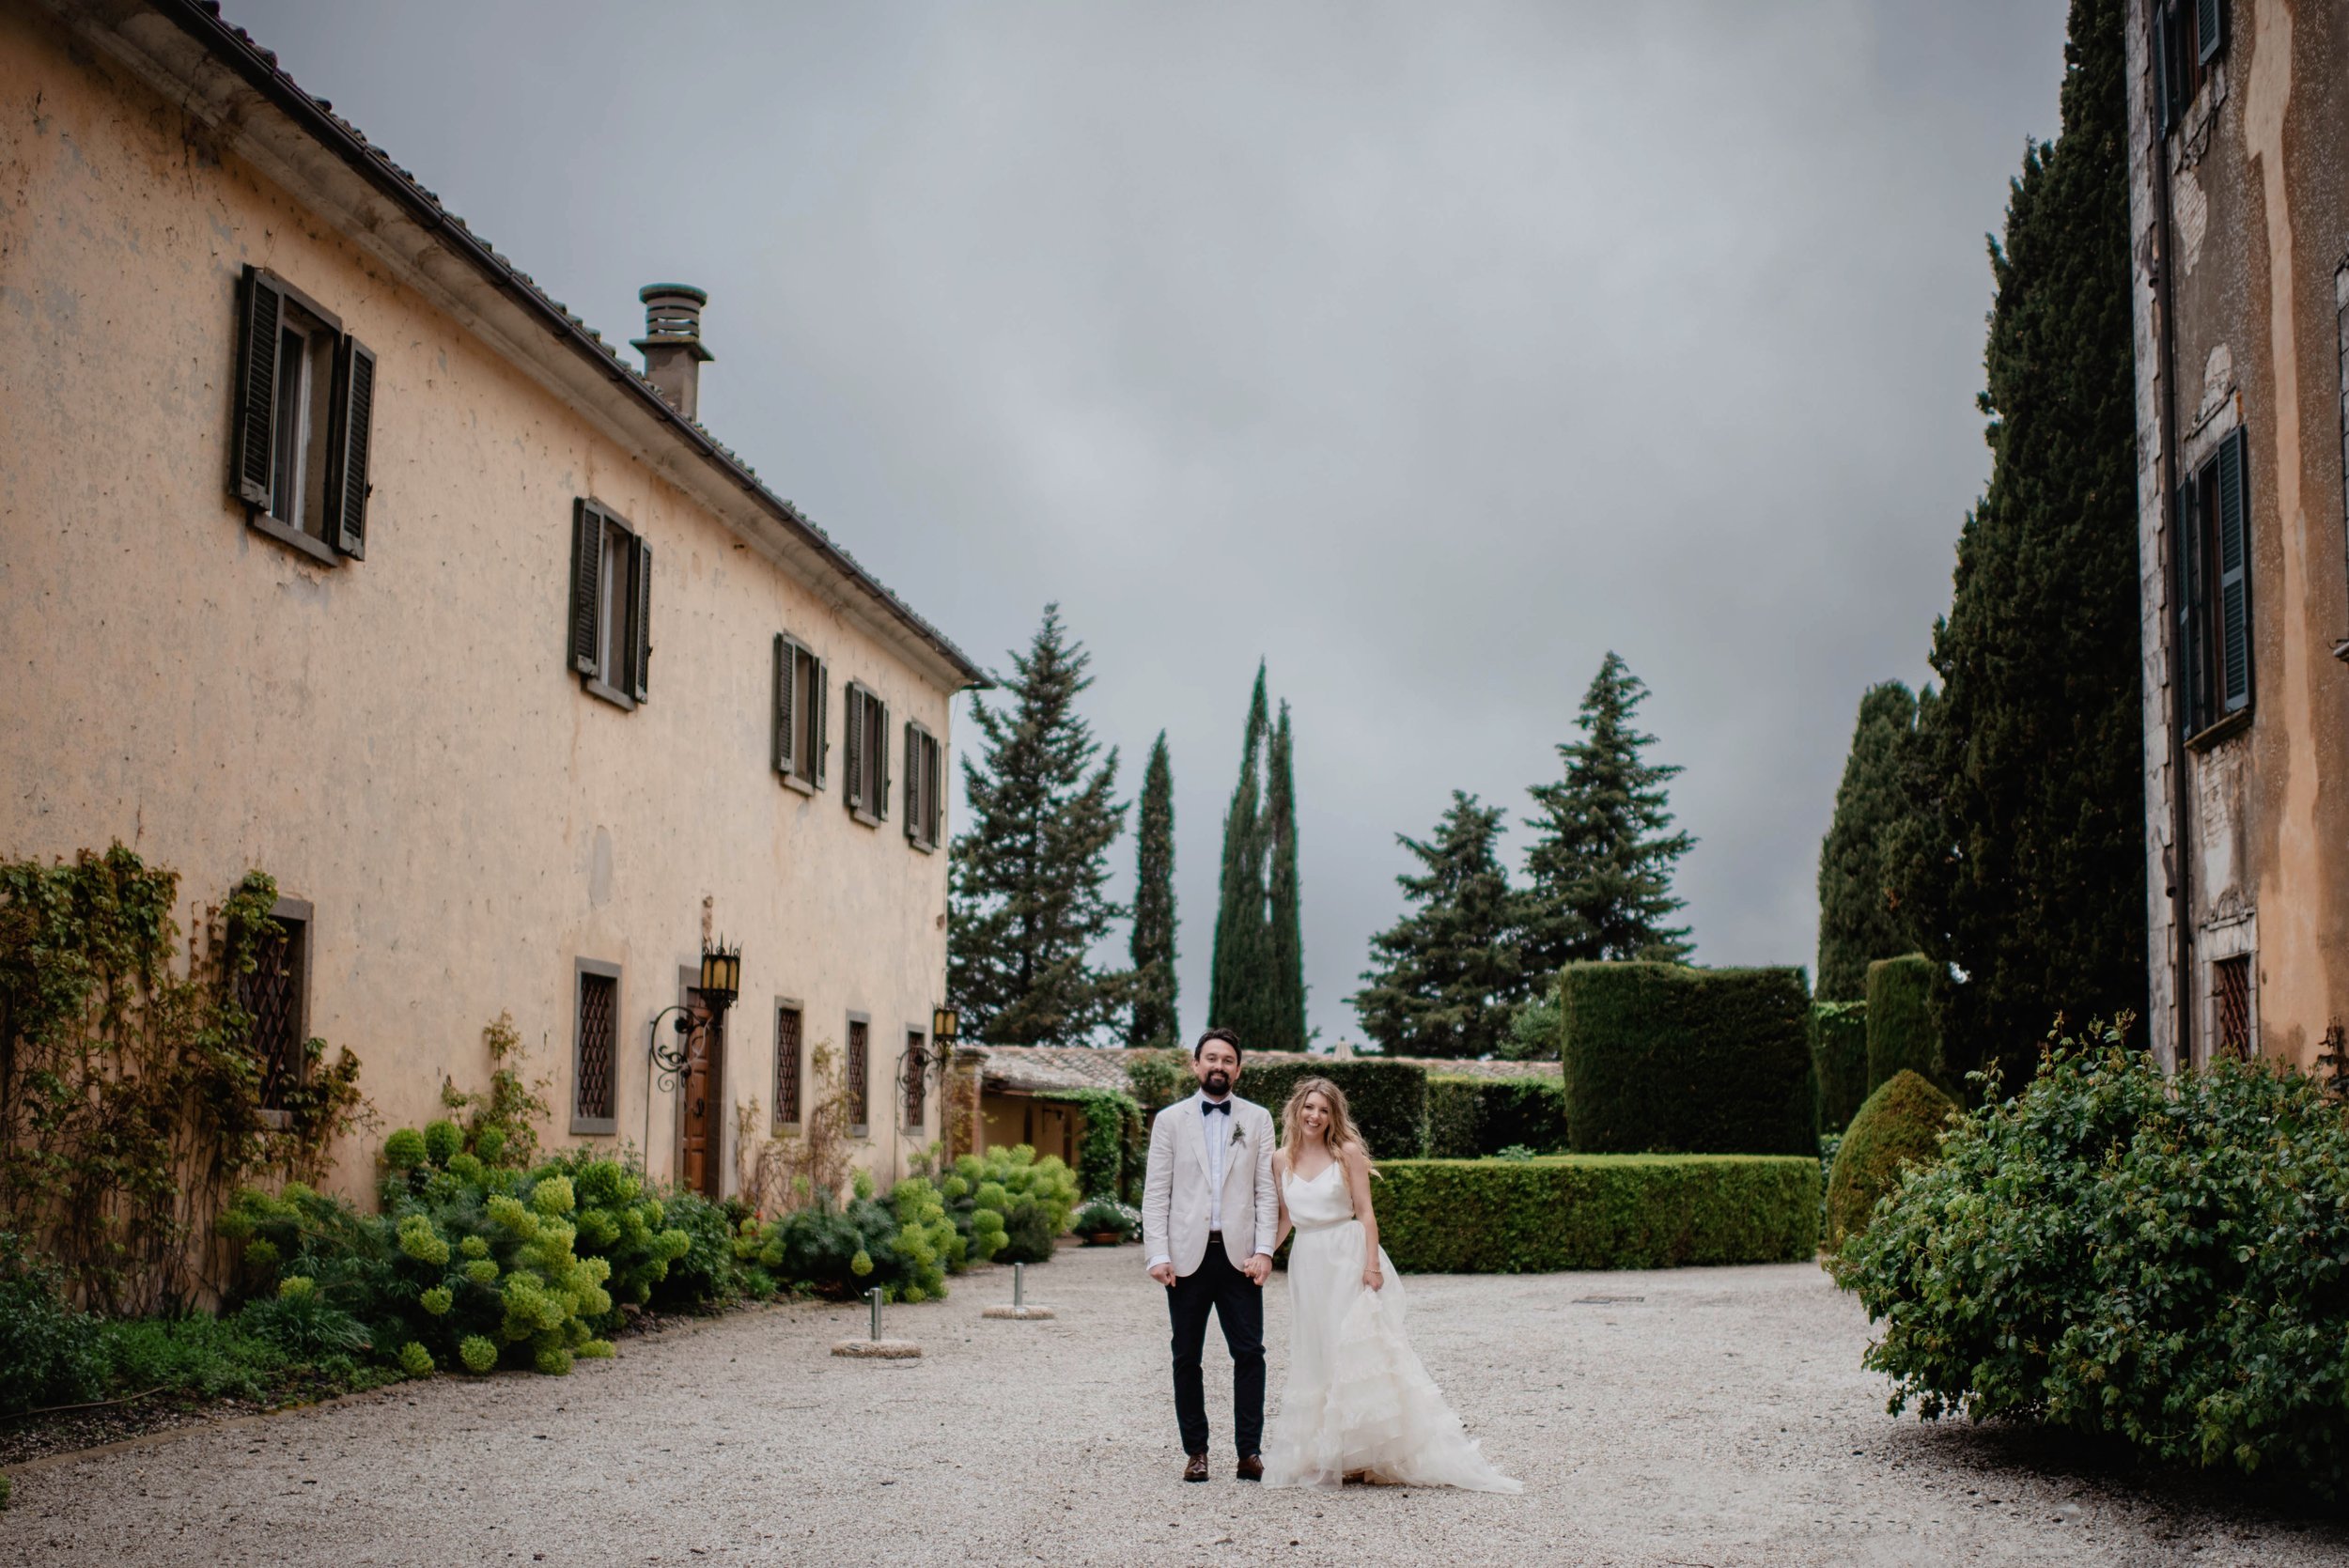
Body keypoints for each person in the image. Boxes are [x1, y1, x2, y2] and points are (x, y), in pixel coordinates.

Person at [1261, 1077, 1521, 1492]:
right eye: (1309, 1107)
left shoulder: (1346, 1154)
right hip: (1308, 1264)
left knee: (1357, 1349)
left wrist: (1371, 1266)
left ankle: (1372, 1451)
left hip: (1346, 1256)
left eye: (1324, 1110)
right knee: (1318, 1347)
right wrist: (1263, 1255)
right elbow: (1286, 1219)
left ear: (1334, 1117)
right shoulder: (1280, 1160)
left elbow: (1365, 1214)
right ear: (1296, 1110)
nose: (1315, 1116)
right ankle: (1333, 1450)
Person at [1140, 1027, 1278, 1483]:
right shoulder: (1170, 1120)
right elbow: (1156, 1194)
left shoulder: (1258, 1119)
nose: (1219, 1066)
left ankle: (1249, 1452)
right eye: (1211, 1058)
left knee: (1250, 1354)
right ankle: (1196, 1451)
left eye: (1228, 1060)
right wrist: (1157, 1254)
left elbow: (1265, 1191)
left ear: (1238, 1069)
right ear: (1196, 1064)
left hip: (1240, 1258)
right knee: (1186, 1356)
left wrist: (1264, 1251)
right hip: (1185, 1259)